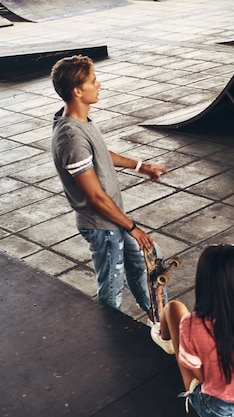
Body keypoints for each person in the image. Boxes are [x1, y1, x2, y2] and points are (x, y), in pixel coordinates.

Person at [50, 55, 168, 317]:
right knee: (112, 289)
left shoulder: (80, 122)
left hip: (114, 221)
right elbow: (95, 197)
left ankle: (159, 320)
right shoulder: (70, 137)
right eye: (93, 81)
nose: (99, 84)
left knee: (146, 265)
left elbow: (102, 152)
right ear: (78, 91)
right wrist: (133, 228)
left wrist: (141, 166)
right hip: (101, 226)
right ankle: (108, 336)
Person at [150, 244, 234, 417]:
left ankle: (167, 340)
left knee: (174, 308)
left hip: (217, 409)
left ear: (203, 283)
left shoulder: (192, 325)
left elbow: (200, 376)